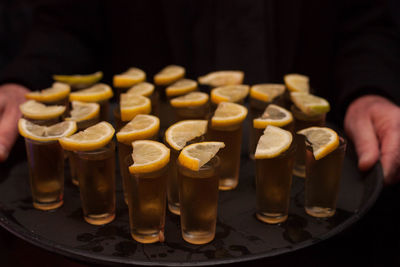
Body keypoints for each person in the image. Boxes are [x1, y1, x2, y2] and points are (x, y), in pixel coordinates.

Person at [0, 0, 399, 186]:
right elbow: (68, 23)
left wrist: (369, 91)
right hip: (141, 204)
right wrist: (26, 81)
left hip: (305, 198)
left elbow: (364, 21)